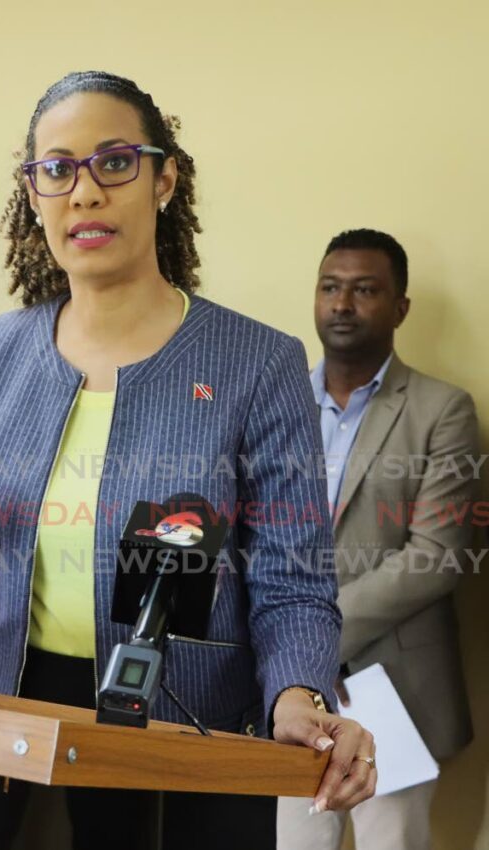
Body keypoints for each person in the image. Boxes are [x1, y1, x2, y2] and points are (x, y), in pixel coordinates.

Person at [0, 72, 378, 850]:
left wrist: (297, 694)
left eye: (115, 162)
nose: (85, 191)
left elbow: (291, 579)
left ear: (164, 178)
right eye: (57, 169)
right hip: (16, 728)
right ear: (33, 195)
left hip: (187, 733)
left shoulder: (257, 362)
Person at [276, 230, 476, 850]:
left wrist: (317, 628)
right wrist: (292, 649)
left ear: (400, 308)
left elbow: (437, 557)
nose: (342, 304)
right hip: (292, 689)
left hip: (395, 686)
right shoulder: (276, 406)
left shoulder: (442, 410)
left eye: (364, 290)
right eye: (330, 287)